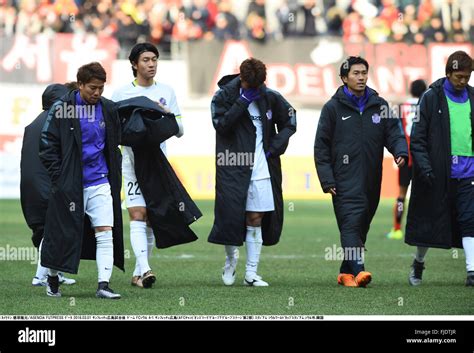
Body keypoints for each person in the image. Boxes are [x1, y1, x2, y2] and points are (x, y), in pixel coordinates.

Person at [314, 56, 408, 287]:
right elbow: (321, 146)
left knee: (362, 223)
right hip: (342, 179)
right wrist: (327, 179)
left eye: (364, 72)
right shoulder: (332, 109)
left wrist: (400, 151)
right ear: (344, 78)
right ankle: (359, 269)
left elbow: (394, 132)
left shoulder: (380, 105)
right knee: (350, 223)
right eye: (356, 73)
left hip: (371, 178)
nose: (361, 77)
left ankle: (345, 273)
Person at [208, 58, 296, 287]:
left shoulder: (269, 97)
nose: (253, 91)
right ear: (242, 78)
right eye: (249, 86)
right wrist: (242, 102)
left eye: (257, 87)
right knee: (229, 219)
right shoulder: (223, 96)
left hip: (261, 167)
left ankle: (251, 273)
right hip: (232, 166)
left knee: (256, 218)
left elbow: (291, 120)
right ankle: (231, 259)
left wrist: (274, 147)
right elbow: (221, 125)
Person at [39, 62, 124, 299]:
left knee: (105, 230)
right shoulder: (62, 108)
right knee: (62, 234)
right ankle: (53, 279)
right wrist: (61, 177)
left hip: (99, 180)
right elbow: (47, 145)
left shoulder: (108, 108)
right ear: (80, 85)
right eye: (93, 88)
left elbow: (116, 141)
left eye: (101, 88)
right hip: (70, 185)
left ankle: (103, 285)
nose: (97, 93)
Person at [111, 42, 185, 289]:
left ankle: (137, 274)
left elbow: (180, 131)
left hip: (157, 164)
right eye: (145, 60)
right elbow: (112, 130)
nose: (151, 64)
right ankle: (145, 269)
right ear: (133, 64)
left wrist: (166, 113)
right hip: (132, 162)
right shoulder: (120, 94)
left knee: (152, 218)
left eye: (154, 59)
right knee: (137, 214)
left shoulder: (167, 91)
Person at [405, 51, 474, 287]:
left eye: (467, 77)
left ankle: (471, 271)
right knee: (429, 221)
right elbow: (418, 138)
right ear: (448, 73)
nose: (463, 81)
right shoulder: (431, 98)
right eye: (459, 76)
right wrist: (425, 167)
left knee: (469, 220)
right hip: (437, 172)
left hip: (468, 174)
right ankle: (419, 262)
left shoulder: (473, 97)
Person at [20, 83, 77, 287]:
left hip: (30, 187)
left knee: (47, 229)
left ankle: (56, 273)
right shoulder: (58, 121)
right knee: (54, 229)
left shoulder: (34, 123)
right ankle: (40, 276)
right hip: (48, 184)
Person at [386, 79, 427, 240]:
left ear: (410, 90)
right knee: (423, 195)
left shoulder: (402, 108)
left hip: (405, 156)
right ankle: (424, 229)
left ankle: (397, 229)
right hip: (422, 158)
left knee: (401, 195)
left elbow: (396, 131)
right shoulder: (426, 106)